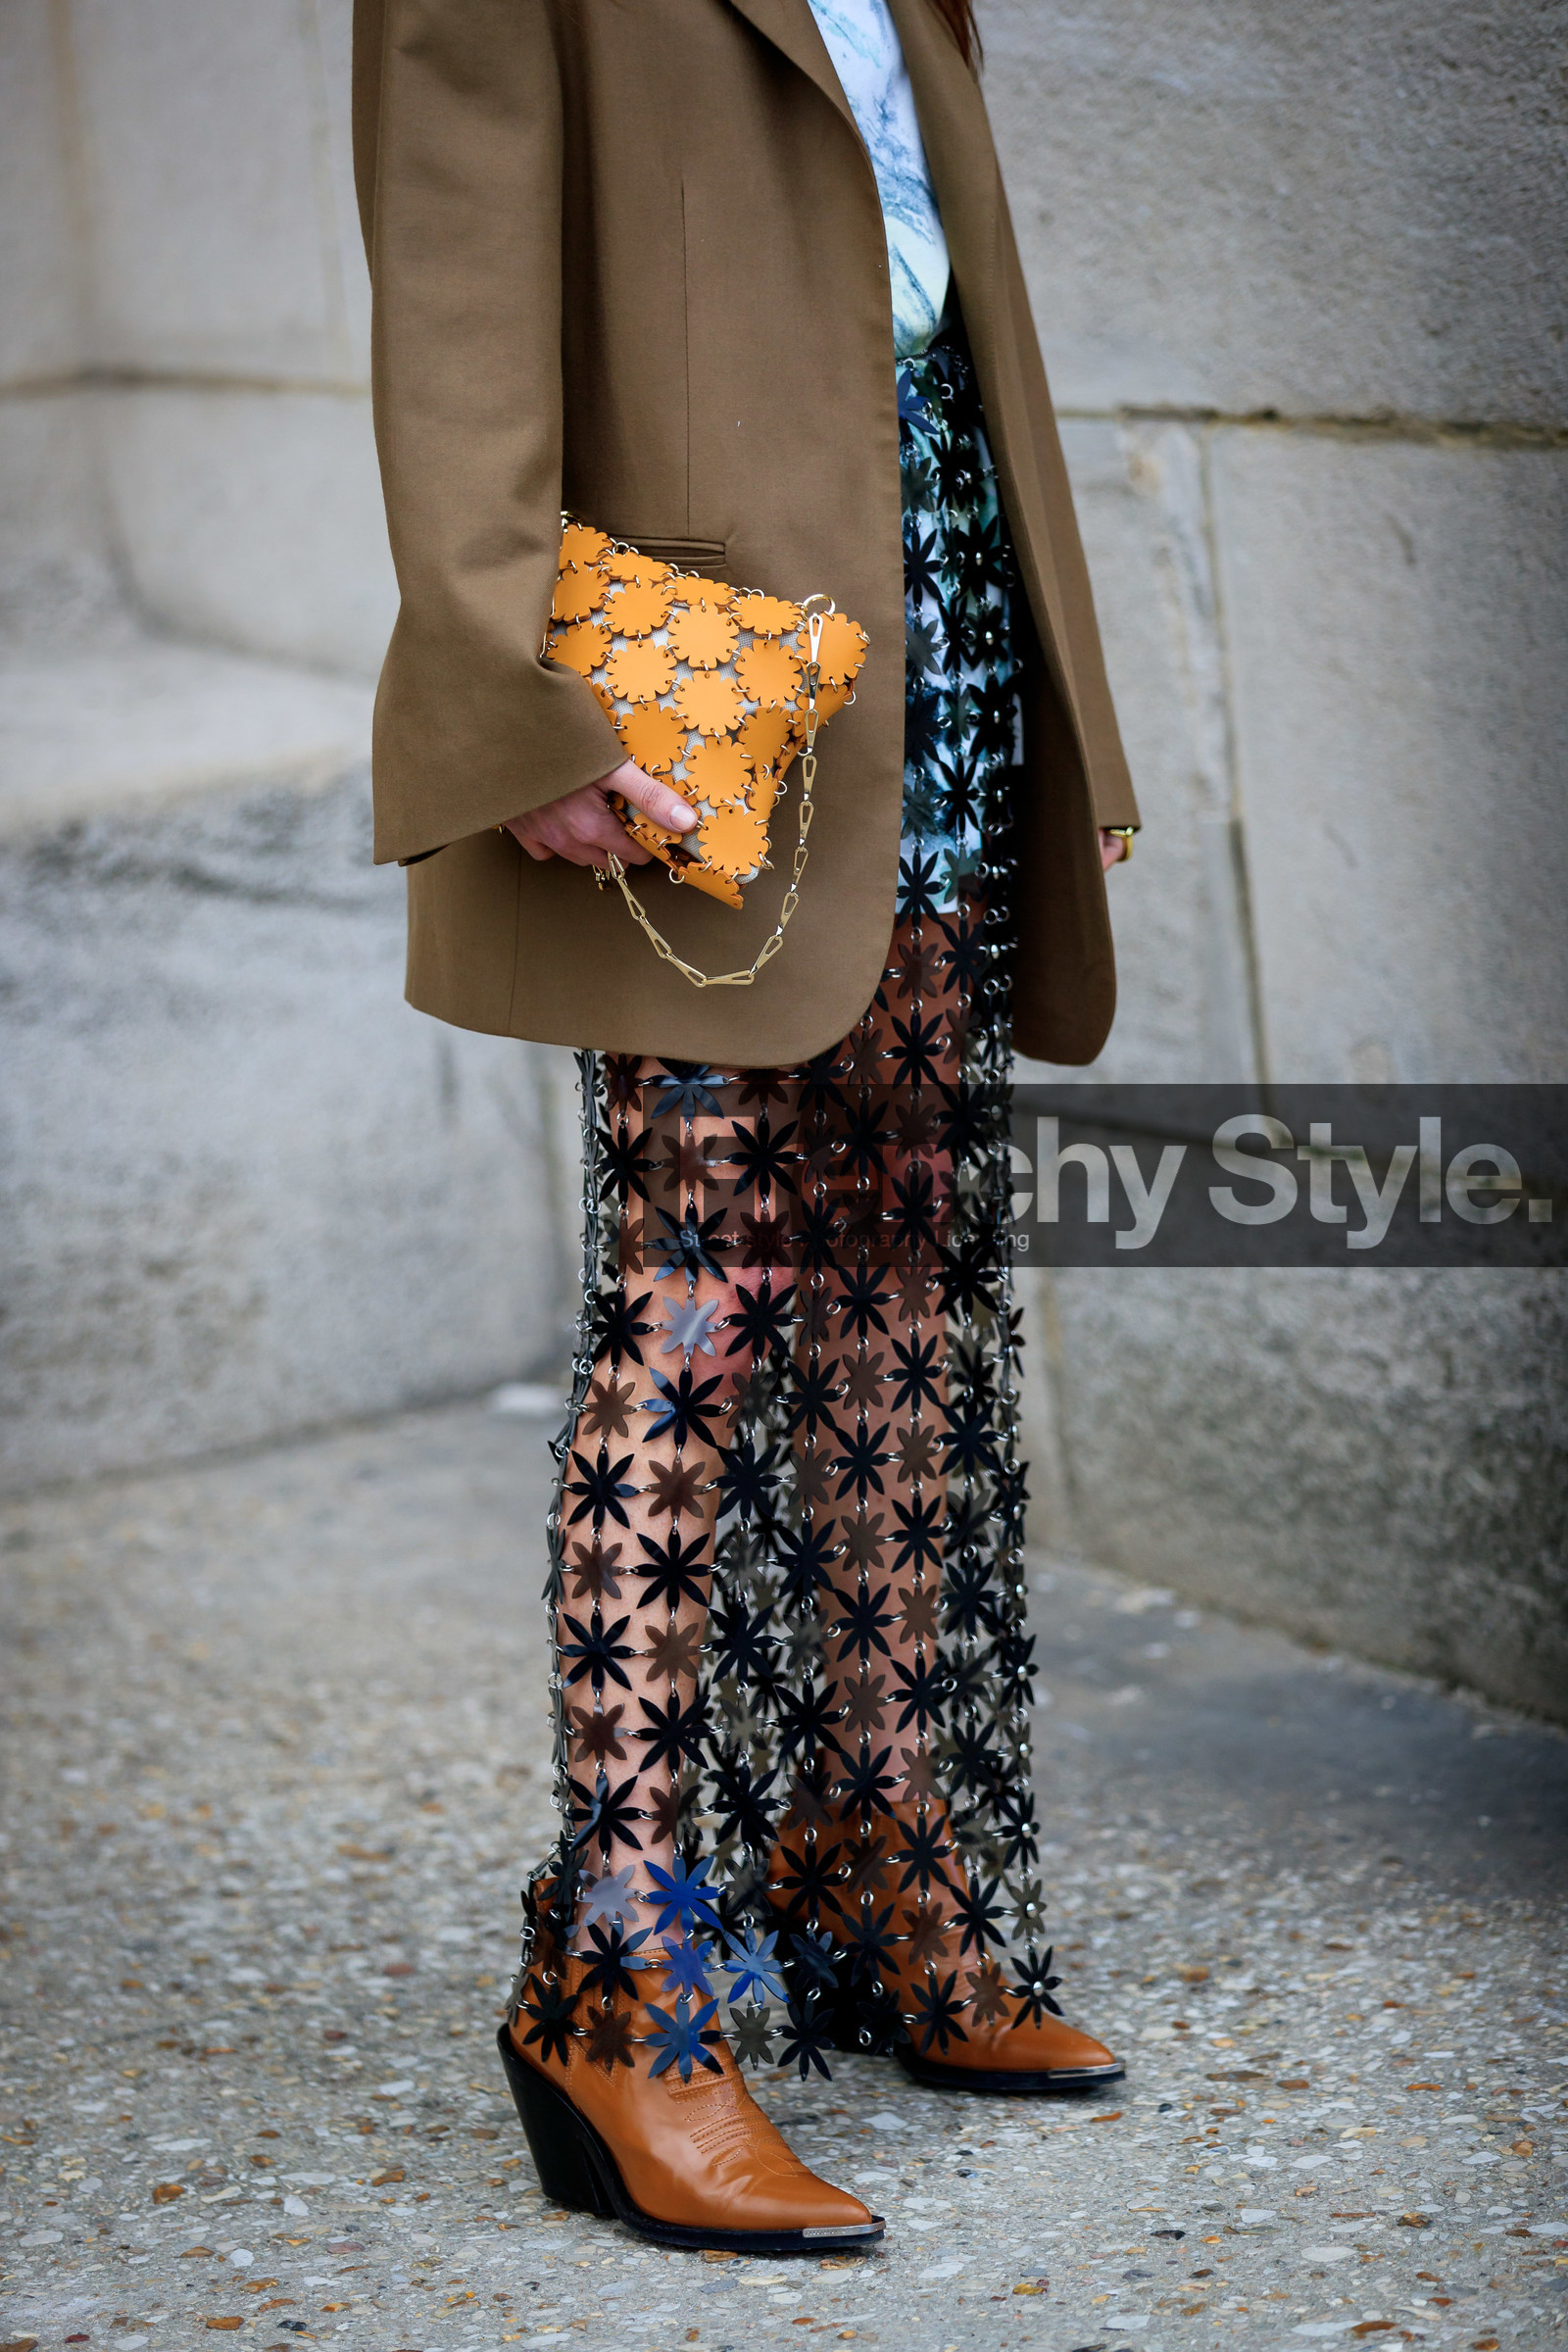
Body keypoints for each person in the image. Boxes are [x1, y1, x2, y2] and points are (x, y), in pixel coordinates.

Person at [353, 0, 1139, 2256]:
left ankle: (871, 1850)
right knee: (696, 1281)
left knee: (906, 1243)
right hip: (696, 669)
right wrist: (509, 691)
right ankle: (620, 1980)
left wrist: (1061, 677)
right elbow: (455, 281)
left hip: (942, 584)